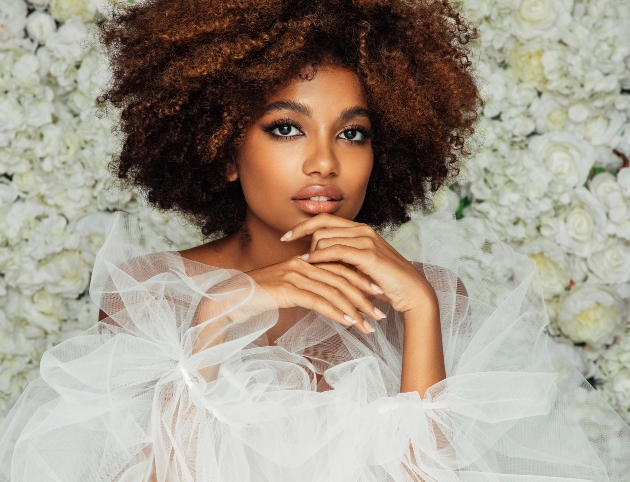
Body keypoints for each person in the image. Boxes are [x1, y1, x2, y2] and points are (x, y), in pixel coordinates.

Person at [1, 0, 629, 481]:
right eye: (286, 129)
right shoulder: (152, 292)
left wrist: (421, 310)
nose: (324, 162)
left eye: (352, 134)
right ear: (223, 150)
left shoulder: (431, 297)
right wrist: (218, 312)